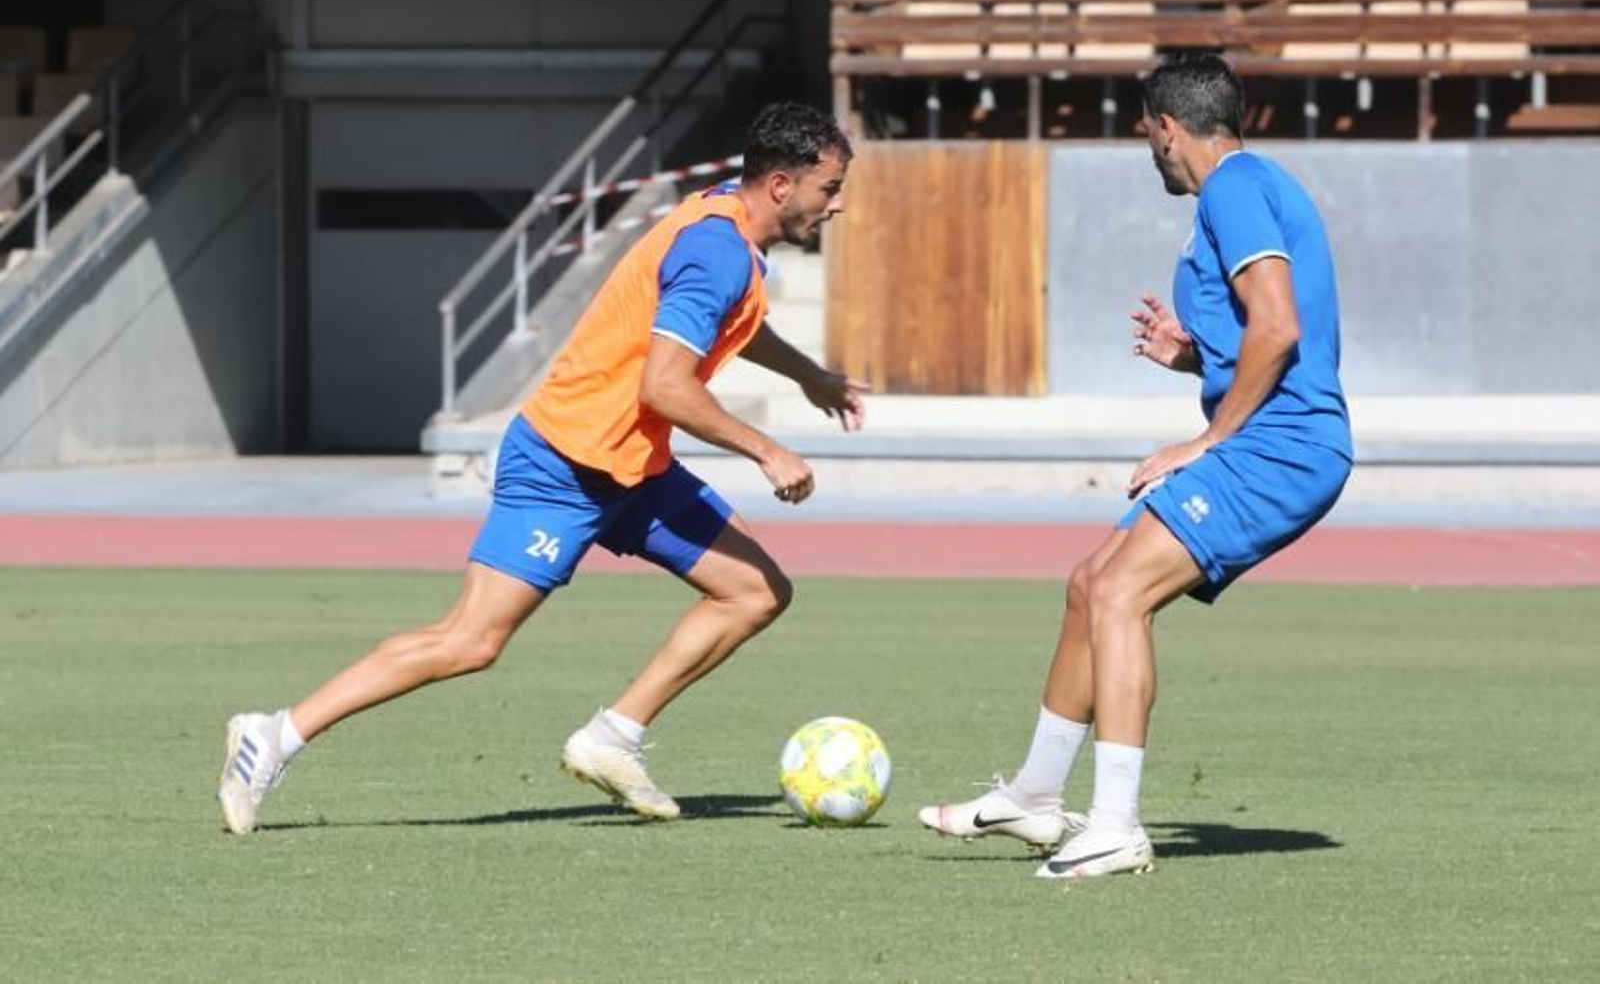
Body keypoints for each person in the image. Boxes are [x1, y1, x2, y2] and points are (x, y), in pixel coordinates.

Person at [218, 101, 866, 834]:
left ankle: (612, 737)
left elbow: (731, 321)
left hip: (634, 464)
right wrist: (768, 448)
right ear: (780, 185)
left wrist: (809, 374)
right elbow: (666, 384)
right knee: (469, 641)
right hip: (564, 460)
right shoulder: (715, 249)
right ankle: (272, 736)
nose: (837, 203)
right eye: (830, 187)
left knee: (753, 591)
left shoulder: (725, 220)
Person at [918, 52, 1353, 879]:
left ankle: (1115, 822)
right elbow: (1255, 336)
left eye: (1143, 131)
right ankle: (1038, 796)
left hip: (1281, 445)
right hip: (1268, 434)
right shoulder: (1243, 190)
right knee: (1091, 582)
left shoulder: (1232, 186)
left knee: (1121, 595)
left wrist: (1206, 439)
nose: (1146, 146)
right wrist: (1193, 357)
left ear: (1164, 126)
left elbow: (1279, 328)